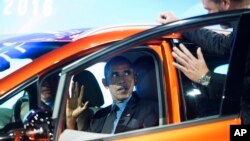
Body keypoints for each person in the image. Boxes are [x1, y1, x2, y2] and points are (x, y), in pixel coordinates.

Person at [66, 56, 159, 134]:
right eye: (115, 75)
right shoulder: (99, 116)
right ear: (105, 83)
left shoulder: (149, 109)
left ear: (135, 79)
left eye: (127, 73)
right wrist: (71, 119)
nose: (122, 80)